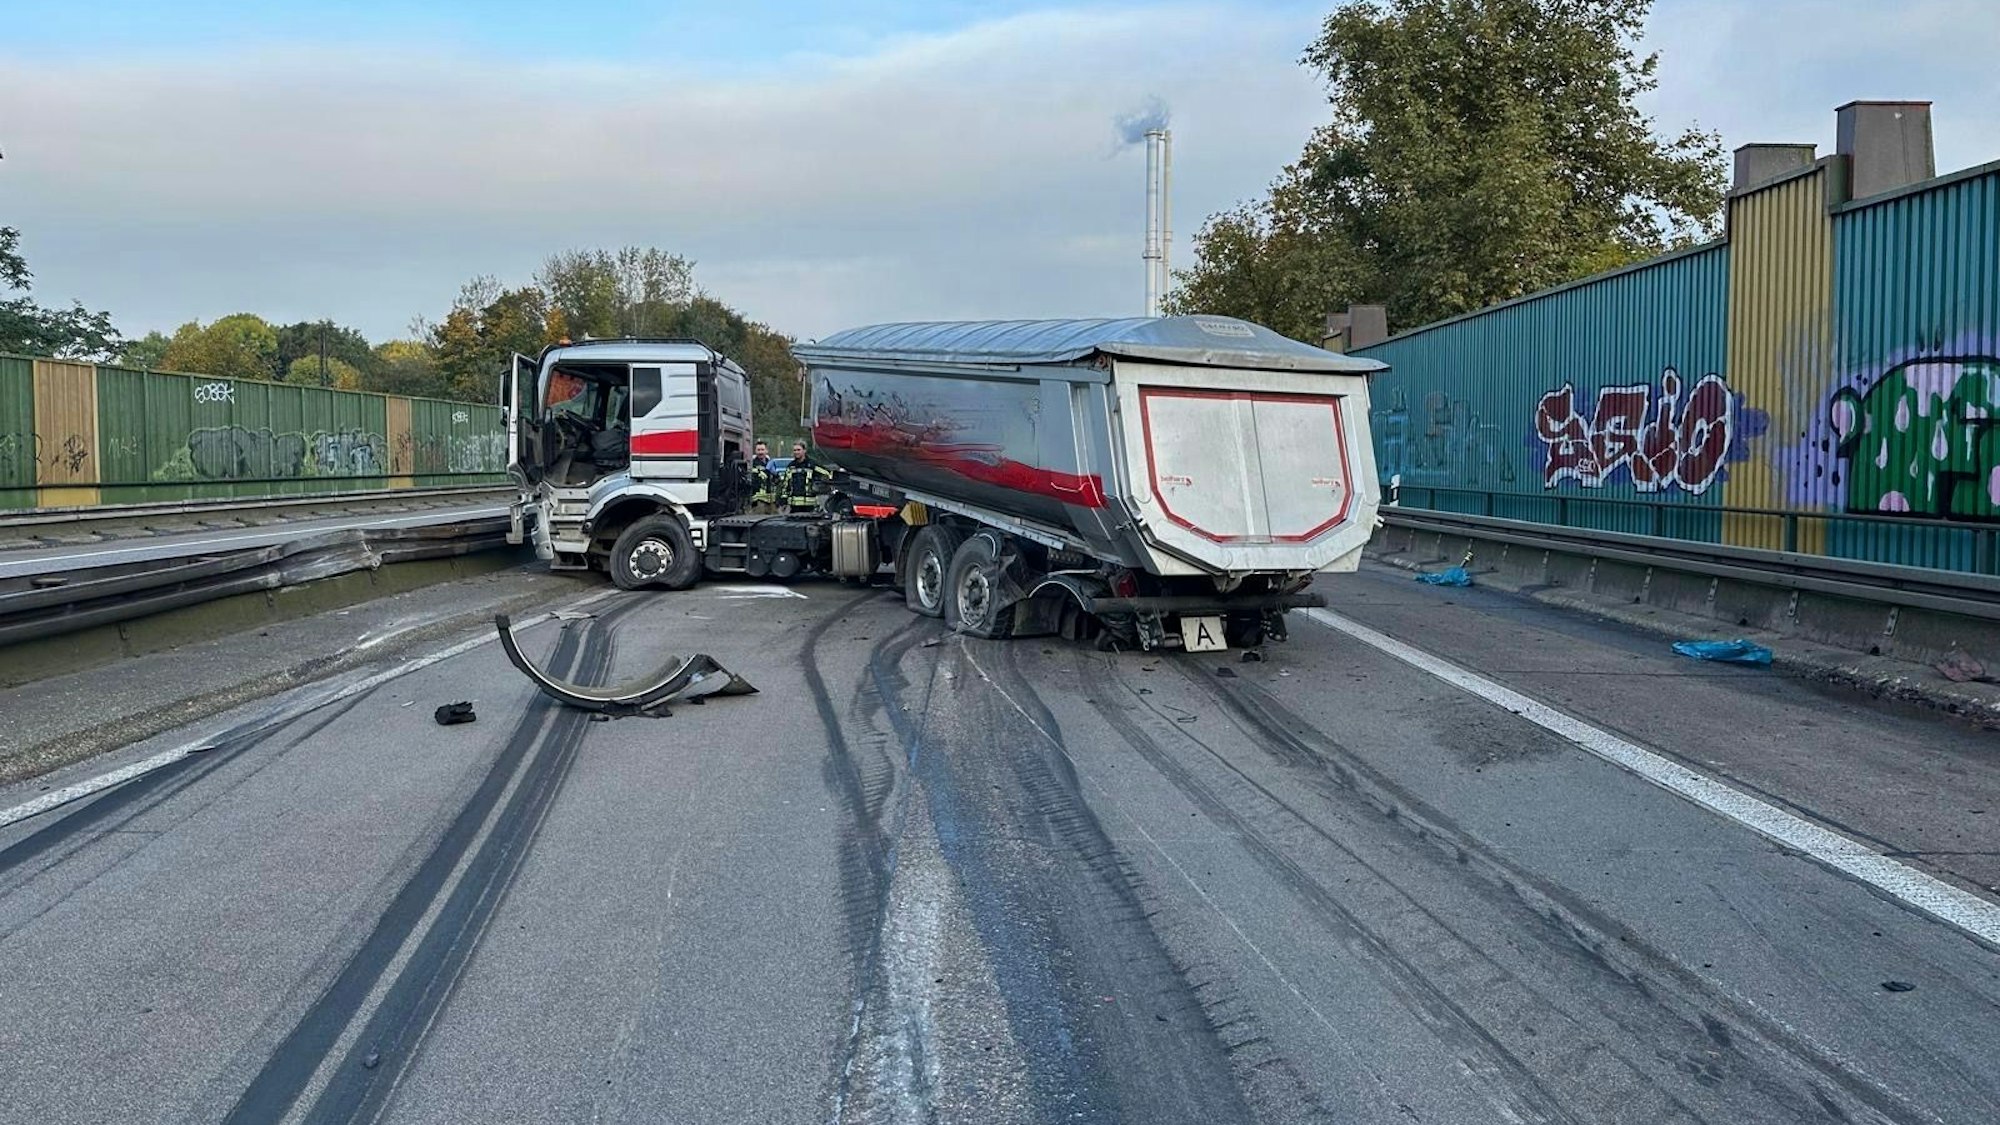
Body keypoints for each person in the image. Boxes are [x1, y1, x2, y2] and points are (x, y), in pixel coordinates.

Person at [781, 440, 833, 511]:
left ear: (804, 450)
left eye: (798, 450)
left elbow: (827, 473)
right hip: (794, 506)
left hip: (810, 505)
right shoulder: (791, 466)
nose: (796, 452)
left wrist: (821, 485)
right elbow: (785, 484)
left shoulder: (812, 464)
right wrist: (784, 499)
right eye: (794, 450)